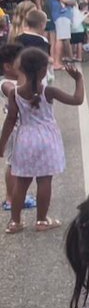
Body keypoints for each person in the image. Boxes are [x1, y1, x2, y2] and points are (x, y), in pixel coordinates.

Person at [1, 48, 85, 233]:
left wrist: (1, 145)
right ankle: (41, 221)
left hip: (25, 140)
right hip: (47, 140)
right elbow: (77, 100)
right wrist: (78, 79)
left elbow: (10, 119)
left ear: (21, 69)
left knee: (21, 182)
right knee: (44, 181)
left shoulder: (14, 93)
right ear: (43, 71)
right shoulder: (49, 91)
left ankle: (14, 222)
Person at [1, 43, 35, 213]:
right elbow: (16, 93)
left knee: (22, 164)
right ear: (8, 66)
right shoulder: (6, 83)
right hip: (16, 130)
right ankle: (10, 197)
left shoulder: (22, 80)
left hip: (27, 128)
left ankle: (18, 194)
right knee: (13, 163)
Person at [46, 0, 76, 71]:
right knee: (61, 39)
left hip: (58, 14)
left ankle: (56, 61)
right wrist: (73, 2)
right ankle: (57, 63)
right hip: (61, 14)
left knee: (56, 39)